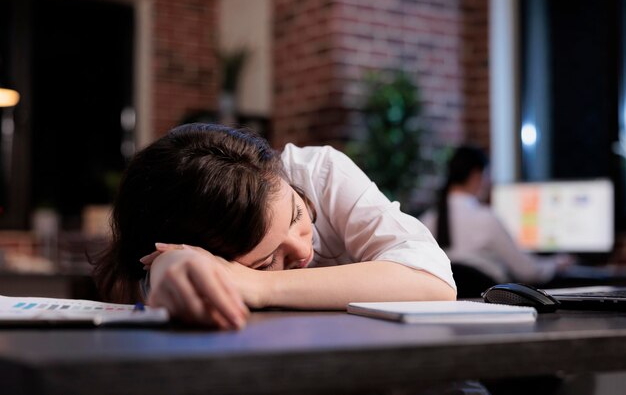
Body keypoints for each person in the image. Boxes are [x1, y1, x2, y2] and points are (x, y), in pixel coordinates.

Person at [93, 123, 456, 329]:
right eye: (267, 259)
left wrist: (261, 282)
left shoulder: (319, 173)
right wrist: (167, 269)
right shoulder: (179, 249)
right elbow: (155, 279)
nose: (303, 249)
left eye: (297, 216)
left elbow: (432, 280)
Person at [420, 145, 573, 287]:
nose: (489, 182)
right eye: (487, 175)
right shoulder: (486, 219)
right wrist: (556, 263)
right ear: (476, 176)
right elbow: (528, 272)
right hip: (495, 306)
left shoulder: (426, 221)